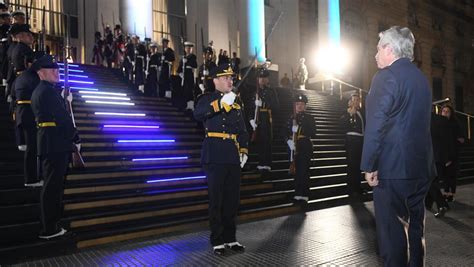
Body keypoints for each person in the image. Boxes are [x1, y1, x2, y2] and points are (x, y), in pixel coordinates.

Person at [361, 26, 435, 266]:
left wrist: (369, 164)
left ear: (390, 49)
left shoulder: (386, 76)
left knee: (393, 237)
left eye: (378, 48)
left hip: (393, 170)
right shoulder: (421, 79)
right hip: (421, 169)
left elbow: (376, 124)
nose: (375, 55)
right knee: (416, 232)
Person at [193, 63, 249, 256]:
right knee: (216, 200)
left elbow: (242, 129)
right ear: (215, 80)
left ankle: (230, 238)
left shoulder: (237, 102)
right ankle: (217, 240)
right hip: (215, 155)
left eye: (231, 78)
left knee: (232, 201)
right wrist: (219, 105)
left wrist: (244, 150)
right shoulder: (206, 98)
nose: (230, 81)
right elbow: (198, 114)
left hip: (232, 156)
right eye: (226, 78)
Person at [31, 55, 79, 239]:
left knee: (52, 186)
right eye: (52, 70)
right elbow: (61, 117)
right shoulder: (48, 92)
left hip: (49, 141)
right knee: (53, 188)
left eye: (57, 69)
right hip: (55, 143)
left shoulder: (40, 91)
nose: (57, 72)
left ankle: (50, 225)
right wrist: (75, 136)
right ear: (41, 73)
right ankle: (49, 228)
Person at [14, 53, 41, 187]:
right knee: (32, 148)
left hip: (21, 111)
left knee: (31, 147)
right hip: (29, 113)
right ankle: (31, 179)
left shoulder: (21, 77)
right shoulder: (32, 77)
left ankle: (32, 178)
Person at [286, 94, 316, 204]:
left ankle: (304, 194)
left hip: (304, 146)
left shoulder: (309, 118)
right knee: (297, 171)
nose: (299, 106)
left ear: (305, 106)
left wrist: (299, 128)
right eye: (297, 104)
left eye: (302, 104)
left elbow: (313, 132)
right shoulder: (291, 117)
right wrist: (288, 141)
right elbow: (284, 132)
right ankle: (297, 194)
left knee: (304, 171)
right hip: (293, 146)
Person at [248, 68, 279, 176]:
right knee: (259, 141)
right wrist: (251, 119)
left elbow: (276, 106)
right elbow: (250, 108)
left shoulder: (271, 91)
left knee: (267, 140)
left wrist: (263, 104)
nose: (262, 80)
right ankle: (260, 163)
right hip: (257, 119)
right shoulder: (255, 92)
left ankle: (267, 163)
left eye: (264, 78)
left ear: (267, 79)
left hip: (266, 117)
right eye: (260, 78)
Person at [340, 93, 365, 201]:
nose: (356, 101)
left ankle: (358, 187)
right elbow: (341, 125)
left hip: (360, 141)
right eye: (354, 99)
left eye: (357, 100)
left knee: (359, 166)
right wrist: (349, 115)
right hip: (351, 141)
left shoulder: (361, 113)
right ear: (350, 101)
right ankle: (351, 189)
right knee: (352, 166)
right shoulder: (346, 112)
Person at [426, 111, 450, 218]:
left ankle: (442, 205)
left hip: (430, 156)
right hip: (439, 156)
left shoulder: (422, 118)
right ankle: (428, 204)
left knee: (429, 182)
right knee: (432, 181)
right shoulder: (442, 119)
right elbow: (448, 139)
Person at [440, 104, 464, 202]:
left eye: (447, 111)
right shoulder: (439, 124)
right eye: (443, 111)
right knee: (445, 175)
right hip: (443, 153)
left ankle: (451, 194)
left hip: (453, 153)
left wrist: (451, 156)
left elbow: (461, 139)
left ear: (451, 113)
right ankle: (446, 193)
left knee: (452, 175)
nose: (445, 113)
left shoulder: (455, 124)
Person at [177, 41, 197, 110]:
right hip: (184, 76)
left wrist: (187, 62)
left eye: (189, 48)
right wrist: (180, 73)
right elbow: (179, 68)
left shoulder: (193, 57)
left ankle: (190, 105)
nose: (188, 49)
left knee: (189, 90)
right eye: (187, 48)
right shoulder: (183, 58)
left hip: (189, 75)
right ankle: (185, 104)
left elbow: (194, 65)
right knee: (184, 90)